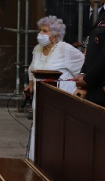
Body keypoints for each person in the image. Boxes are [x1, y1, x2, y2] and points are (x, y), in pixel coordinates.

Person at [23, 16, 85, 160]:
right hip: (40, 98)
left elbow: (84, 68)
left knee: (57, 132)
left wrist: (82, 86)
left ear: (55, 35)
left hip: (60, 97)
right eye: (40, 31)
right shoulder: (37, 49)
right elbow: (32, 70)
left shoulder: (65, 49)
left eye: (44, 31)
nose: (40, 34)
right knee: (40, 130)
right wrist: (30, 84)